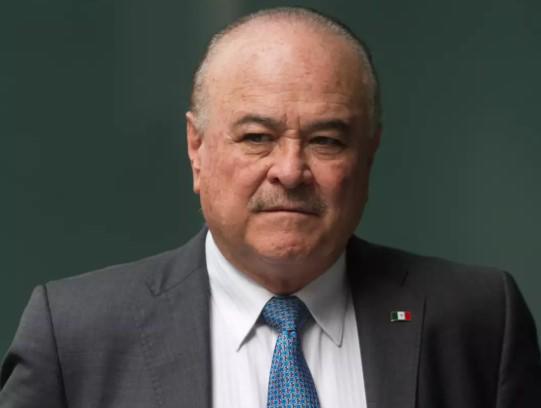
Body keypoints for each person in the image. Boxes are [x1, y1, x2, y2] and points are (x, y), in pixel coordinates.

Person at [1, 6, 540, 408]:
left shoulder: (479, 319)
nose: (290, 170)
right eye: (257, 137)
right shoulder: (74, 336)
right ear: (197, 149)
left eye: (326, 140)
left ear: (368, 155)